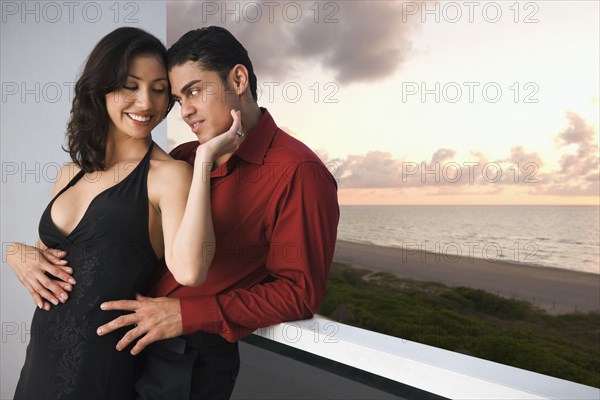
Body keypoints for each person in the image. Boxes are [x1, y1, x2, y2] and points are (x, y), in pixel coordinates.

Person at [6, 27, 243, 399]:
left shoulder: (169, 176)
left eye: (158, 89)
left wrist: (204, 161)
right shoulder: (69, 174)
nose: (146, 103)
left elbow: (190, 271)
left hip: (97, 372)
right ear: (101, 88)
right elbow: (45, 257)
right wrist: (14, 253)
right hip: (38, 366)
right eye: (130, 86)